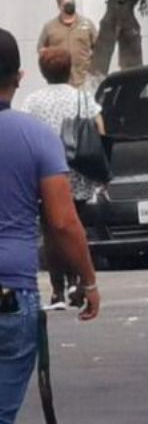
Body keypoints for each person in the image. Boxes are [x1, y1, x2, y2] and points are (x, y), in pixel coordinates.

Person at [0, 28, 100, 424]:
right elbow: (62, 222)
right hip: (10, 292)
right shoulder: (37, 137)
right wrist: (88, 282)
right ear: (19, 77)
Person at [19, 47, 104, 310]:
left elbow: (25, 132)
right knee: (75, 225)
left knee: (51, 231)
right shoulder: (82, 98)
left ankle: (57, 290)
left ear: (43, 72)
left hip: (44, 174)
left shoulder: (32, 101)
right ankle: (78, 281)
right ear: (68, 69)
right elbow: (100, 128)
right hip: (77, 171)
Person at [37, 0, 97, 88]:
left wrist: (92, 69)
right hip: (58, 83)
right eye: (67, 2)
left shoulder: (87, 24)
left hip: (83, 80)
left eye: (72, 1)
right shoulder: (49, 27)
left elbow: (98, 49)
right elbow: (41, 50)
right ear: (59, 6)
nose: (71, 4)